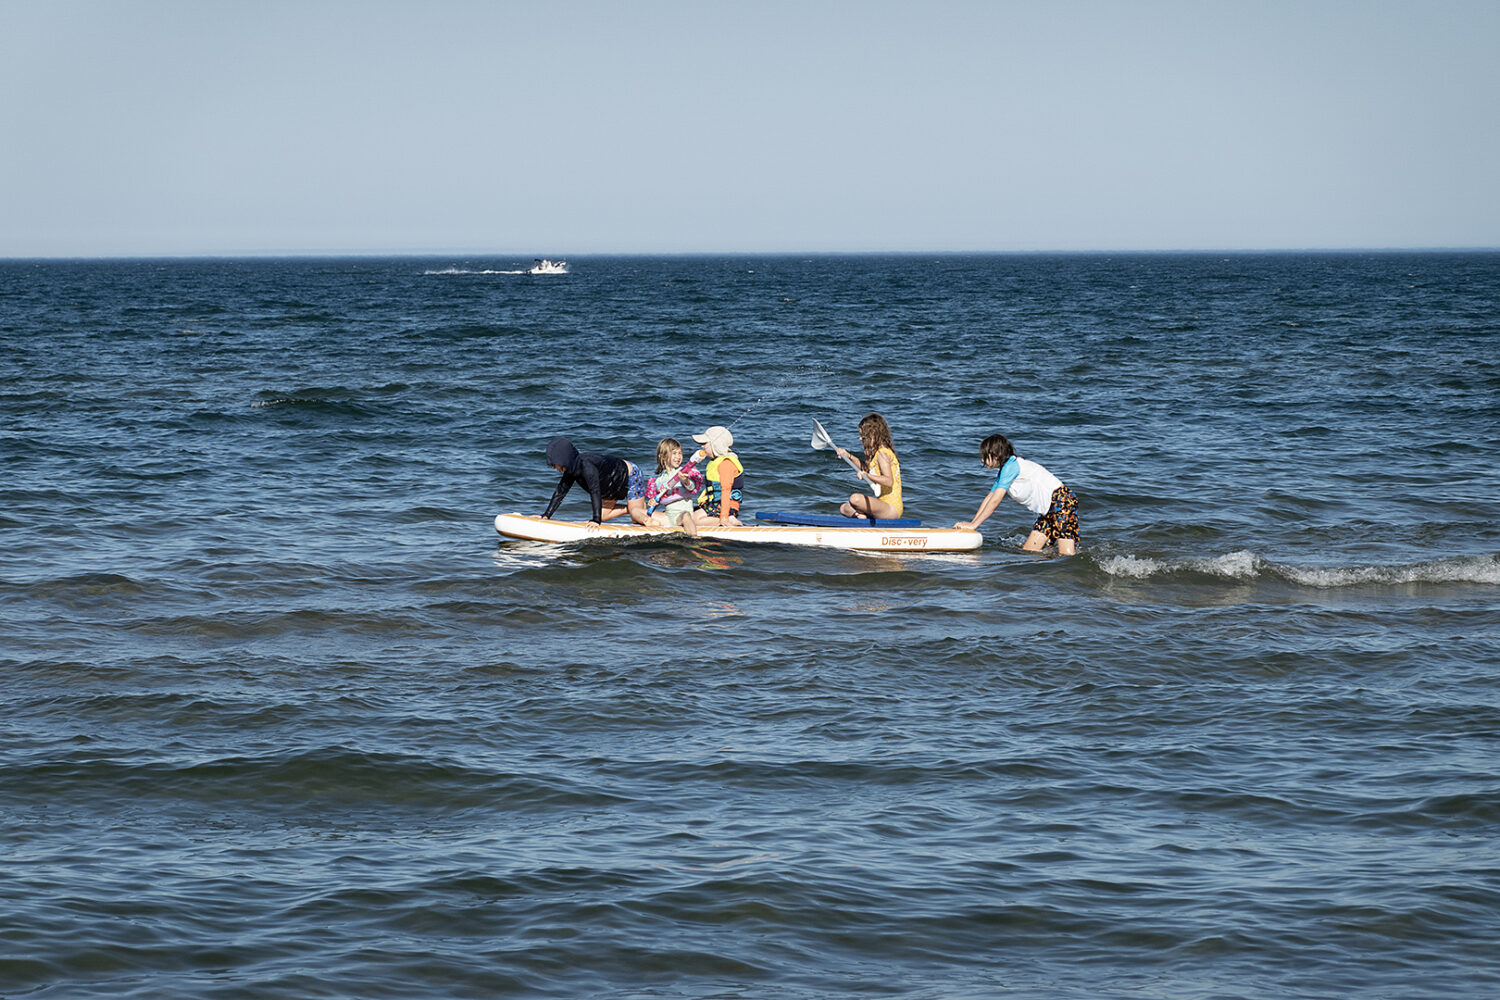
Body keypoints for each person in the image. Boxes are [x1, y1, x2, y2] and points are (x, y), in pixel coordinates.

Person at [955, 433, 1079, 555]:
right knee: (1030, 552)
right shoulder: (1005, 471)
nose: (982, 460)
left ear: (996, 455)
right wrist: (972, 523)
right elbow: (990, 497)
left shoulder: (1011, 467)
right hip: (1048, 510)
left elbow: (995, 501)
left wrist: (974, 525)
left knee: (1066, 556)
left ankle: (1075, 573)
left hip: (1062, 501)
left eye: (984, 456)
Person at [541, 437, 651, 524]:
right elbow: (560, 492)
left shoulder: (587, 466)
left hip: (630, 474)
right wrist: (546, 515)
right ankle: (632, 508)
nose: (554, 467)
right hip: (611, 486)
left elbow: (595, 491)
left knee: (637, 517)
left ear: (563, 458)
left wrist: (595, 520)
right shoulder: (571, 470)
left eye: (555, 463)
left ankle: (654, 517)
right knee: (604, 515)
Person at [835, 412, 904, 520]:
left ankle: (864, 516)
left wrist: (867, 475)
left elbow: (888, 481)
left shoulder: (883, 453)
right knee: (844, 508)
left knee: (855, 499)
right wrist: (848, 456)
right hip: (881, 506)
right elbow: (865, 468)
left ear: (872, 435)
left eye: (863, 436)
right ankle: (863, 516)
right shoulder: (876, 454)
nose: (860, 439)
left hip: (891, 509)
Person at [684, 425, 745, 528]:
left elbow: (726, 490)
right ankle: (724, 519)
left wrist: (724, 517)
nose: (702, 446)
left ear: (716, 444)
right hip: (716, 504)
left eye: (705, 443)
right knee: (687, 516)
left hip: (726, 506)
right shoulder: (715, 462)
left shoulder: (726, 463)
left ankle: (729, 520)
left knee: (693, 520)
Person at [645, 437, 704, 534]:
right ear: (662, 456)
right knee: (642, 514)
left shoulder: (684, 472)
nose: (678, 456)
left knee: (686, 516)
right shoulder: (658, 480)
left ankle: (694, 539)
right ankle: (652, 525)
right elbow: (658, 499)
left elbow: (691, 487)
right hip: (668, 517)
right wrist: (653, 503)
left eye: (680, 453)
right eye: (674, 453)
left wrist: (686, 480)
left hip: (682, 516)